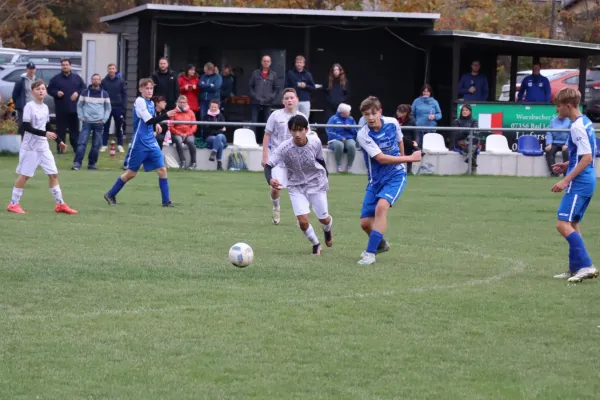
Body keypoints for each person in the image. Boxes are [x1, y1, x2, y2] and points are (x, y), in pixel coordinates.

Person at [356, 96, 422, 265]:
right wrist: (409, 158)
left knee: (381, 208)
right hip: (375, 179)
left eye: (373, 113)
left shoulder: (392, 123)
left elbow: (399, 140)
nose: (370, 118)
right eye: (366, 114)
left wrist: (402, 161)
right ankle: (381, 244)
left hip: (395, 176)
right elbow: (381, 159)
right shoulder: (363, 135)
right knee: (365, 223)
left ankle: (369, 254)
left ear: (380, 112)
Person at [6, 80, 78, 215]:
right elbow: (25, 127)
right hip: (30, 147)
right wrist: (45, 133)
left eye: (43, 89)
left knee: (53, 174)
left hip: (43, 147)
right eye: (38, 89)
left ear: (46, 91)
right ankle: (13, 204)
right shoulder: (29, 106)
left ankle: (60, 204)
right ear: (32, 91)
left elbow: (47, 126)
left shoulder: (45, 107)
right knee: (25, 176)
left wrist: (59, 141)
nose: (41, 91)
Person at [265, 114, 332, 255]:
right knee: (302, 221)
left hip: (316, 183)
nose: (297, 134)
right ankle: (315, 243)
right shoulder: (285, 148)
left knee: (324, 219)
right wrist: (270, 179)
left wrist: (325, 175)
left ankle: (327, 229)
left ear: (306, 130)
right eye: (294, 130)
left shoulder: (315, 142)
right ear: (290, 131)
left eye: (300, 130)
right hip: (296, 185)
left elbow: (320, 160)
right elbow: (268, 166)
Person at [104, 78, 177, 207]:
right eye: (146, 88)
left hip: (151, 142)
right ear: (140, 89)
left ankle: (166, 202)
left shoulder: (150, 103)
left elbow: (151, 122)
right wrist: (166, 115)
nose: (149, 91)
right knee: (131, 174)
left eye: (151, 88)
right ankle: (110, 194)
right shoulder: (139, 101)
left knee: (162, 169)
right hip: (140, 143)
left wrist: (157, 126)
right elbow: (148, 120)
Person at [550, 88, 597, 282]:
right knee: (573, 223)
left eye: (559, 106)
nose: (557, 111)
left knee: (562, 224)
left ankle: (586, 265)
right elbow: (586, 155)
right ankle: (576, 268)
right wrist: (566, 165)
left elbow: (586, 158)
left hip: (579, 182)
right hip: (587, 180)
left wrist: (565, 180)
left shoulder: (577, 126)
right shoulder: (586, 122)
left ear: (568, 105)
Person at [262, 88, 308, 225]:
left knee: (299, 189)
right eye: (286, 98)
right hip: (278, 158)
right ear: (283, 101)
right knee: (276, 187)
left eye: (292, 98)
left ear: (297, 100)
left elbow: (307, 137)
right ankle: (276, 207)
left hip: (296, 160)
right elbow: (267, 135)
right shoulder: (275, 115)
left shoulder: (302, 117)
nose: (289, 100)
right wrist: (265, 155)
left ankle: (299, 216)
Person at [73, 74, 111, 170]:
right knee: (82, 143)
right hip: (87, 122)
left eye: (97, 79)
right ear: (91, 80)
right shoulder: (84, 92)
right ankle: (77, 163)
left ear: (100, 81)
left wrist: (104, 120)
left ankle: (92, 164)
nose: (95, 81)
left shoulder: (105, 94)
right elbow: (79, 105)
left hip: (99, 123)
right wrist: (81, 117)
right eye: (94, 79)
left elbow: (108, 109)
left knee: (96, 145)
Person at [47, 58, 86, 153]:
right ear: (61, 66)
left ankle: (76, 148)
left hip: (74, 109)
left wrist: (77, 93)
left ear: (70, 66)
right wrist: (56, 93)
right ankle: (60, 148)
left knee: (74, 131)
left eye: (66, 65)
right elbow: (49, 90)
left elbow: (84, 88)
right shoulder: (56, 79)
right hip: (61, 109)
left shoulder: (77, 78)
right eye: (63, 65)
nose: (65, 66)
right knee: (61, 131)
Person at [101, 63, 127, 153]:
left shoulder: (121, 81)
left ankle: (120, 145)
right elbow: (101, 94)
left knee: (119, 127)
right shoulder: (104, 81)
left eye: (113, 68)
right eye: (110, 68)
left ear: (116, 70)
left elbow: (124, 94)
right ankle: (104, 145)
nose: (111, 70)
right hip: (107, 107)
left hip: (118, 107)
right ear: (107, 70)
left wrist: (124, 106)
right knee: (105, 127)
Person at [249, 55, 279, 130]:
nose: (266, 63)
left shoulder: (273, 74)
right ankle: (253, 139)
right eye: (264, 61)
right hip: (255, 101)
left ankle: (267, 141)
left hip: (268, 102)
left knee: (268, 122)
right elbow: (250, 86)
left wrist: (271, 97)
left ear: (270, 63)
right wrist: (254, 95)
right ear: (261, 62)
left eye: (268, 61)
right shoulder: (255, 73)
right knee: (254, 122)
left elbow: (276, 88)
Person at [325, 103, 357, 172]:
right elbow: (329, 131)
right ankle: (338, 164)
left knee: (351, 145)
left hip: (348, 138)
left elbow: (356, 131)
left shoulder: (351, 119)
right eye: (348, 112)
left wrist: (350, 128)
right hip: (335, 139)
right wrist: (339, 137)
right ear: (342, 113)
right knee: (339, 145)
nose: (350, 113)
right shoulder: (333, 118)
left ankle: (349, 165)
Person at [169, 95, 197, 170]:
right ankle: (183, 161)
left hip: (188, 133)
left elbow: (194, 126)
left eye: (184, 102)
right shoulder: (173, 112)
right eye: (180, 102)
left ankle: (193, 162)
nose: (182, 104)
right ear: (177, 103)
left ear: (186, 103)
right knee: (178, 141)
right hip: (177, 133)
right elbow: (171, 126)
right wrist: (179, 133)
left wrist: (187, 134)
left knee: (191, 142)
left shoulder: (191, 113)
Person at [451, 104, 479, 171]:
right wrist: (469, 131)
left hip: (470, 141)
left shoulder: (474, 120)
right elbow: (457, 134)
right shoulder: (456, 121)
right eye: (463, 110)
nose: (464, 111)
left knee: (474, 141)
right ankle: (473, 169)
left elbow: (475, 131)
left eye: (466, 110)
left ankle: (469, 159)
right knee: (474, 147)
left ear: (470, 112)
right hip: (460, 141)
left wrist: (464, 131)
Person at [11, 62, 37, 135]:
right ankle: (22, 143)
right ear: (27, 70)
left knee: (33, 126)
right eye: (29, 69)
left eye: (33, 69)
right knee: (22, 127)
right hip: (24, 108)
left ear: (35, 70)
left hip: (34, 107)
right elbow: (15, 95)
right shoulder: (21, 81)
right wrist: (19, 105)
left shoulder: (36, 81)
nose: (31, 70)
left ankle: (32, 144)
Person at [202, 99, 228, 171]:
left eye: (215, 107)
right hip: (209, 137)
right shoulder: (205, 117)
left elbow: (224, 129)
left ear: (218, 107)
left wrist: (212, 126)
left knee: (219, 136)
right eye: (212, 107)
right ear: (209, 107)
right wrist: (218, 129)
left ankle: (214, 151)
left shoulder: (221, 116)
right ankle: (219, 163)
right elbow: (206, 130)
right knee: (221, 144)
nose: (213, 108)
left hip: (221, 136)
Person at [545, 111, 571, 176]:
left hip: (565, 143)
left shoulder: (570, 121)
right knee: (549, 151)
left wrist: (566, 144)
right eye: (559, 113)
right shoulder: (553, 121)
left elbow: (571, 134)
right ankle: (554, 172)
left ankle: (566, 173)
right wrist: (549, 143)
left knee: (566, 152)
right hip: (555, 142)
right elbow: (549, 133)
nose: (560, 114)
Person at [395, 104, 418, 174]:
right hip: (397, 139)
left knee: (409, 145)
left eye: (400, 112)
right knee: (402, 139)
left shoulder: (412, 120)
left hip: (408, 139)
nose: (398, 113)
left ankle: (409, 169)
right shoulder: (394, 119)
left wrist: (415, 141)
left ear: (405, 113)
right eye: (398, 111)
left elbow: (415, 132)